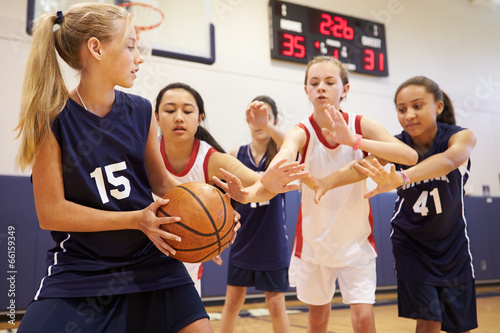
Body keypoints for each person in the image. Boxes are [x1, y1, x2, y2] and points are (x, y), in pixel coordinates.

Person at [13, 5, 302, 332]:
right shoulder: (51, 117)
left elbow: (162, 182)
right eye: (130, 46)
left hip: (149, 259)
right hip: (81, 266)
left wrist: (220, 207)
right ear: (96, 49)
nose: (139, 57)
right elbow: (51, 213)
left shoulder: (139, 110)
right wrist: (136, 219)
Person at [215, 55, 418, 333]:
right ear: (306, 90)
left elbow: (409, 154)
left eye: (329, 82)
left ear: (344, 89)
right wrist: (251, 191)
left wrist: (353, 141)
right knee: (318, 321)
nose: (321, 87)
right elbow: (284, 155)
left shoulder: (361, 124)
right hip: (314, 245)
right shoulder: (302, 131)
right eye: (314, 82)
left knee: (362, 319)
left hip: (356, 244)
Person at [354, 76, 478, 333]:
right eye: (401, 109)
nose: (409, 115)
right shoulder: (396, 146)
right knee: (428, 321)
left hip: (453, 247)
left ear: (439, 107)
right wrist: (322, 182)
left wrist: (401, 177)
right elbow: (356, 168)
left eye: (417, 106)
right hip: (411, 245)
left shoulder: (461, 137)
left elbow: (446, 161)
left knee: (460, 326)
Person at [219, 95, 290, 333]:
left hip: (272, 241)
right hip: (243, 238)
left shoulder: (283, 154)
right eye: (254, 117)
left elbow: (293, 143)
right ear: (246, 121)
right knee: (233, 300)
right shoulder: (235, 153)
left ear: (275, 120)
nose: (259, 123)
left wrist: (267, 125)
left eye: (266, 117)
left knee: (275, 303)